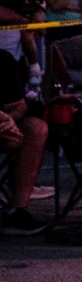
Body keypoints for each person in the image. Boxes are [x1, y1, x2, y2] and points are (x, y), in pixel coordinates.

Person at [0, 45, 49, 233]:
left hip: (4, 129)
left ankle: (16, 210)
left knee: (35, 128)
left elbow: (19, 105)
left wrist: (9, 120)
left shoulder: (3, 59)